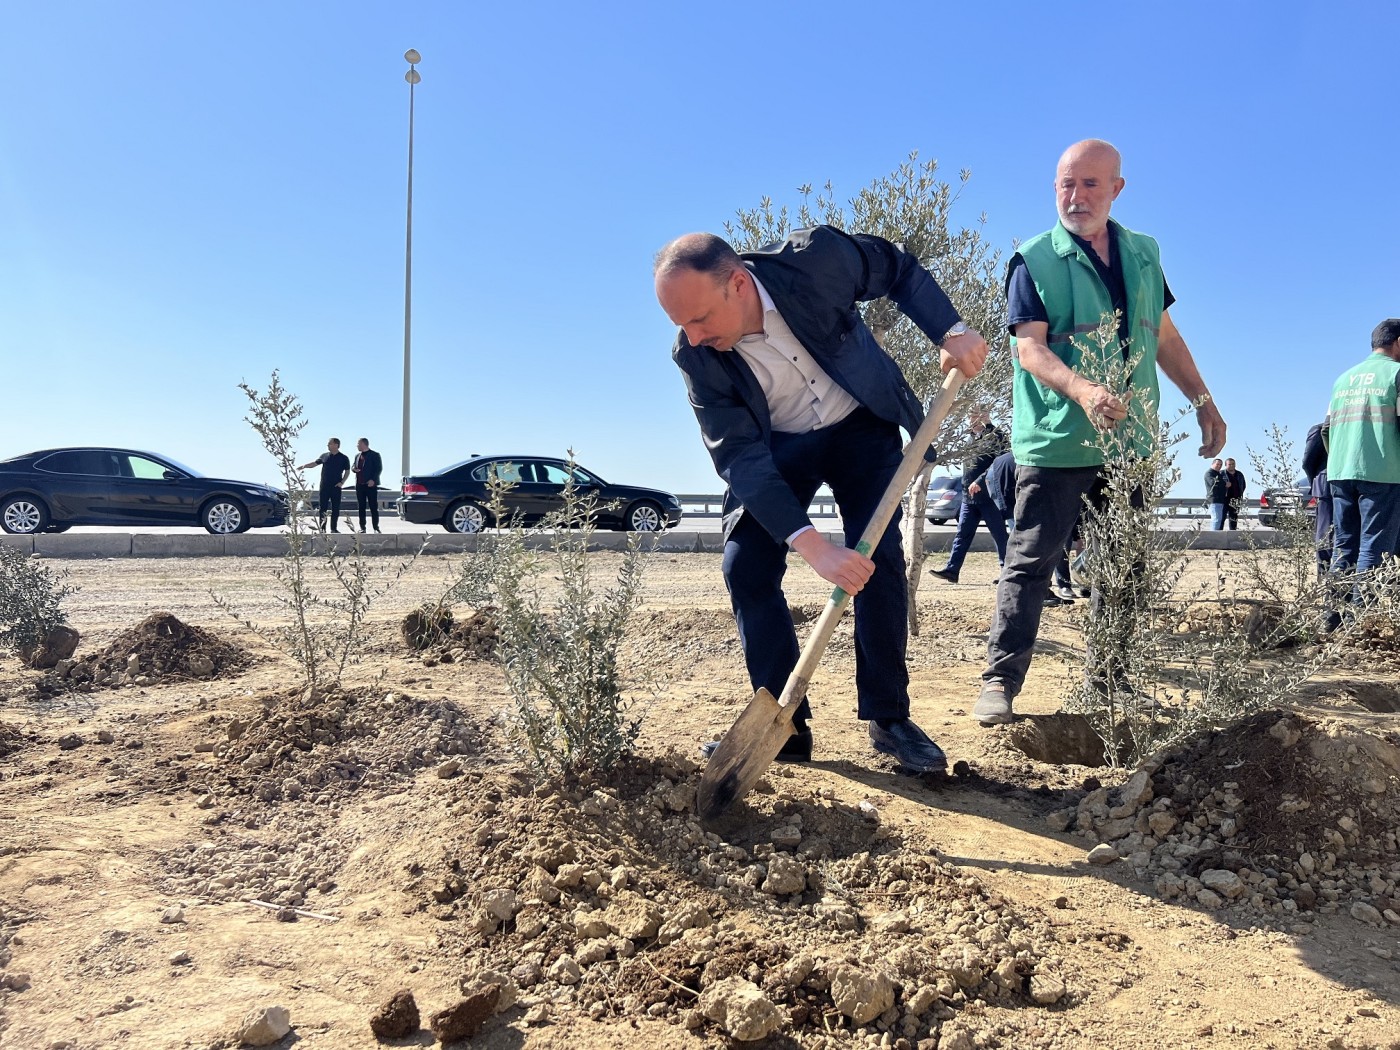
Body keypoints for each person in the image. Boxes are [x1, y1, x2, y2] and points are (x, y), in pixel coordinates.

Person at [654, 227, 988, 773]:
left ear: (738, 283)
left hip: (859, 423)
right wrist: (812, 545)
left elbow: (897, 268)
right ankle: (785, 729)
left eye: (699, 319)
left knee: (877, 561)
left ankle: (889, 717)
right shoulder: (697, 358)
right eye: (680, 325)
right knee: (747, 568)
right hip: (777, 447)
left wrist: (949, 329)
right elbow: (738, 455)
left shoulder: (815, 262)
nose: (691, 337)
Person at [972, 139, 1226, 727]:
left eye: (1090, 184)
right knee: (1031, 561)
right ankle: (999, 683)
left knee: (1125, 564)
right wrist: (1083, 390)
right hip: (1057, 440)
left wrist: (1204, 401)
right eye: (1066, 183)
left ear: (1117, 189)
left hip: (1128, 443)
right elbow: (1029, 347)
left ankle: (1111, 683)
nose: (1076, 196)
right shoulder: (1033, 258)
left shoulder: (1143, 254)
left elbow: (1161, 334)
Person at [1324, 319, 1400, 606]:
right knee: (1374, 548)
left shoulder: (1343, 379)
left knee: (1343, 547)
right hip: (1383, 471)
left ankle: (1332, 618)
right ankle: (1359, 626)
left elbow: (1325, 429)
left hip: (1340, 471)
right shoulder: (1397, 374)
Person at [929, 412, 1010, 584]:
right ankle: (952, 570)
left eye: (975, 416)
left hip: (989, 497)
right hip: (968, 497)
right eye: (970, 416)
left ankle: (1007, 572)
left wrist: (981, 480)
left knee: (999, 535)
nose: (971, 420)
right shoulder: (970, 439)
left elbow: (1000, 463)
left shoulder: (996, 436)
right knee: (962, 534)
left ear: (985, 416)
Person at [299, 438, 351, 533]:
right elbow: (315, 463)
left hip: (336, 486)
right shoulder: (324, 456)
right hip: (324, 486)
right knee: (323, 508)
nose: (328, 446)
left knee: (335, 508)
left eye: (330, 444)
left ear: (336, 445)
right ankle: (322, 529)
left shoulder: (344, 458)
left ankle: (333, 528)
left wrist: (342, 482)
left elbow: (347, 471)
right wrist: (304, 466)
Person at [1303, 421, 1332, 579]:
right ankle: (1325, 576)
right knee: (1325, 534)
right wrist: (1315, 482)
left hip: (1337, 485)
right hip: (1325, 487)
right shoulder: (1319, 430)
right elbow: (1308, 462)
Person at [352, 438, 384, 533]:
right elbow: (353, 466)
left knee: (373, 506)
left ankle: (376, 527)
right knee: (361, 507)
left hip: (370, 485)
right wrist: (354, 469)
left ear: (363, 444)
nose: (357, 446)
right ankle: (362, 527)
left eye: (358, 444)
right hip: (359, 485)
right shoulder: (357, 456)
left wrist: (373, 480)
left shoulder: (375, 455)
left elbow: (378, 468)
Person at [1205, 457, 1228, 530]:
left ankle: (1216, 535)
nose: (1219, 466)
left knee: (1219, 519)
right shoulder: (1209, 473)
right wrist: (1225, 484)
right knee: (1216, 519)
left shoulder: (1218, 474)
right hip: (1214, 499)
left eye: (1221, 465)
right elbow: (1213, 483)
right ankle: (1214, 537)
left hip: (1221, 500)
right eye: (1217, 464)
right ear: (1213, 464)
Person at [1224, 457, 1247, 530]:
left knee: (1233, 517)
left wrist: (1239, 494)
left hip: (1236, 499)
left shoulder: (1239, 474)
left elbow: (1243, 485)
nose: (1231, 466)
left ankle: (1232, 532)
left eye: (1233, 464)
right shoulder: (1222, 474)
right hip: (1225, 499)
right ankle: (1218, 533)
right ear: (1226, 465)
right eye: (1229, 464)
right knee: (1222, 517)